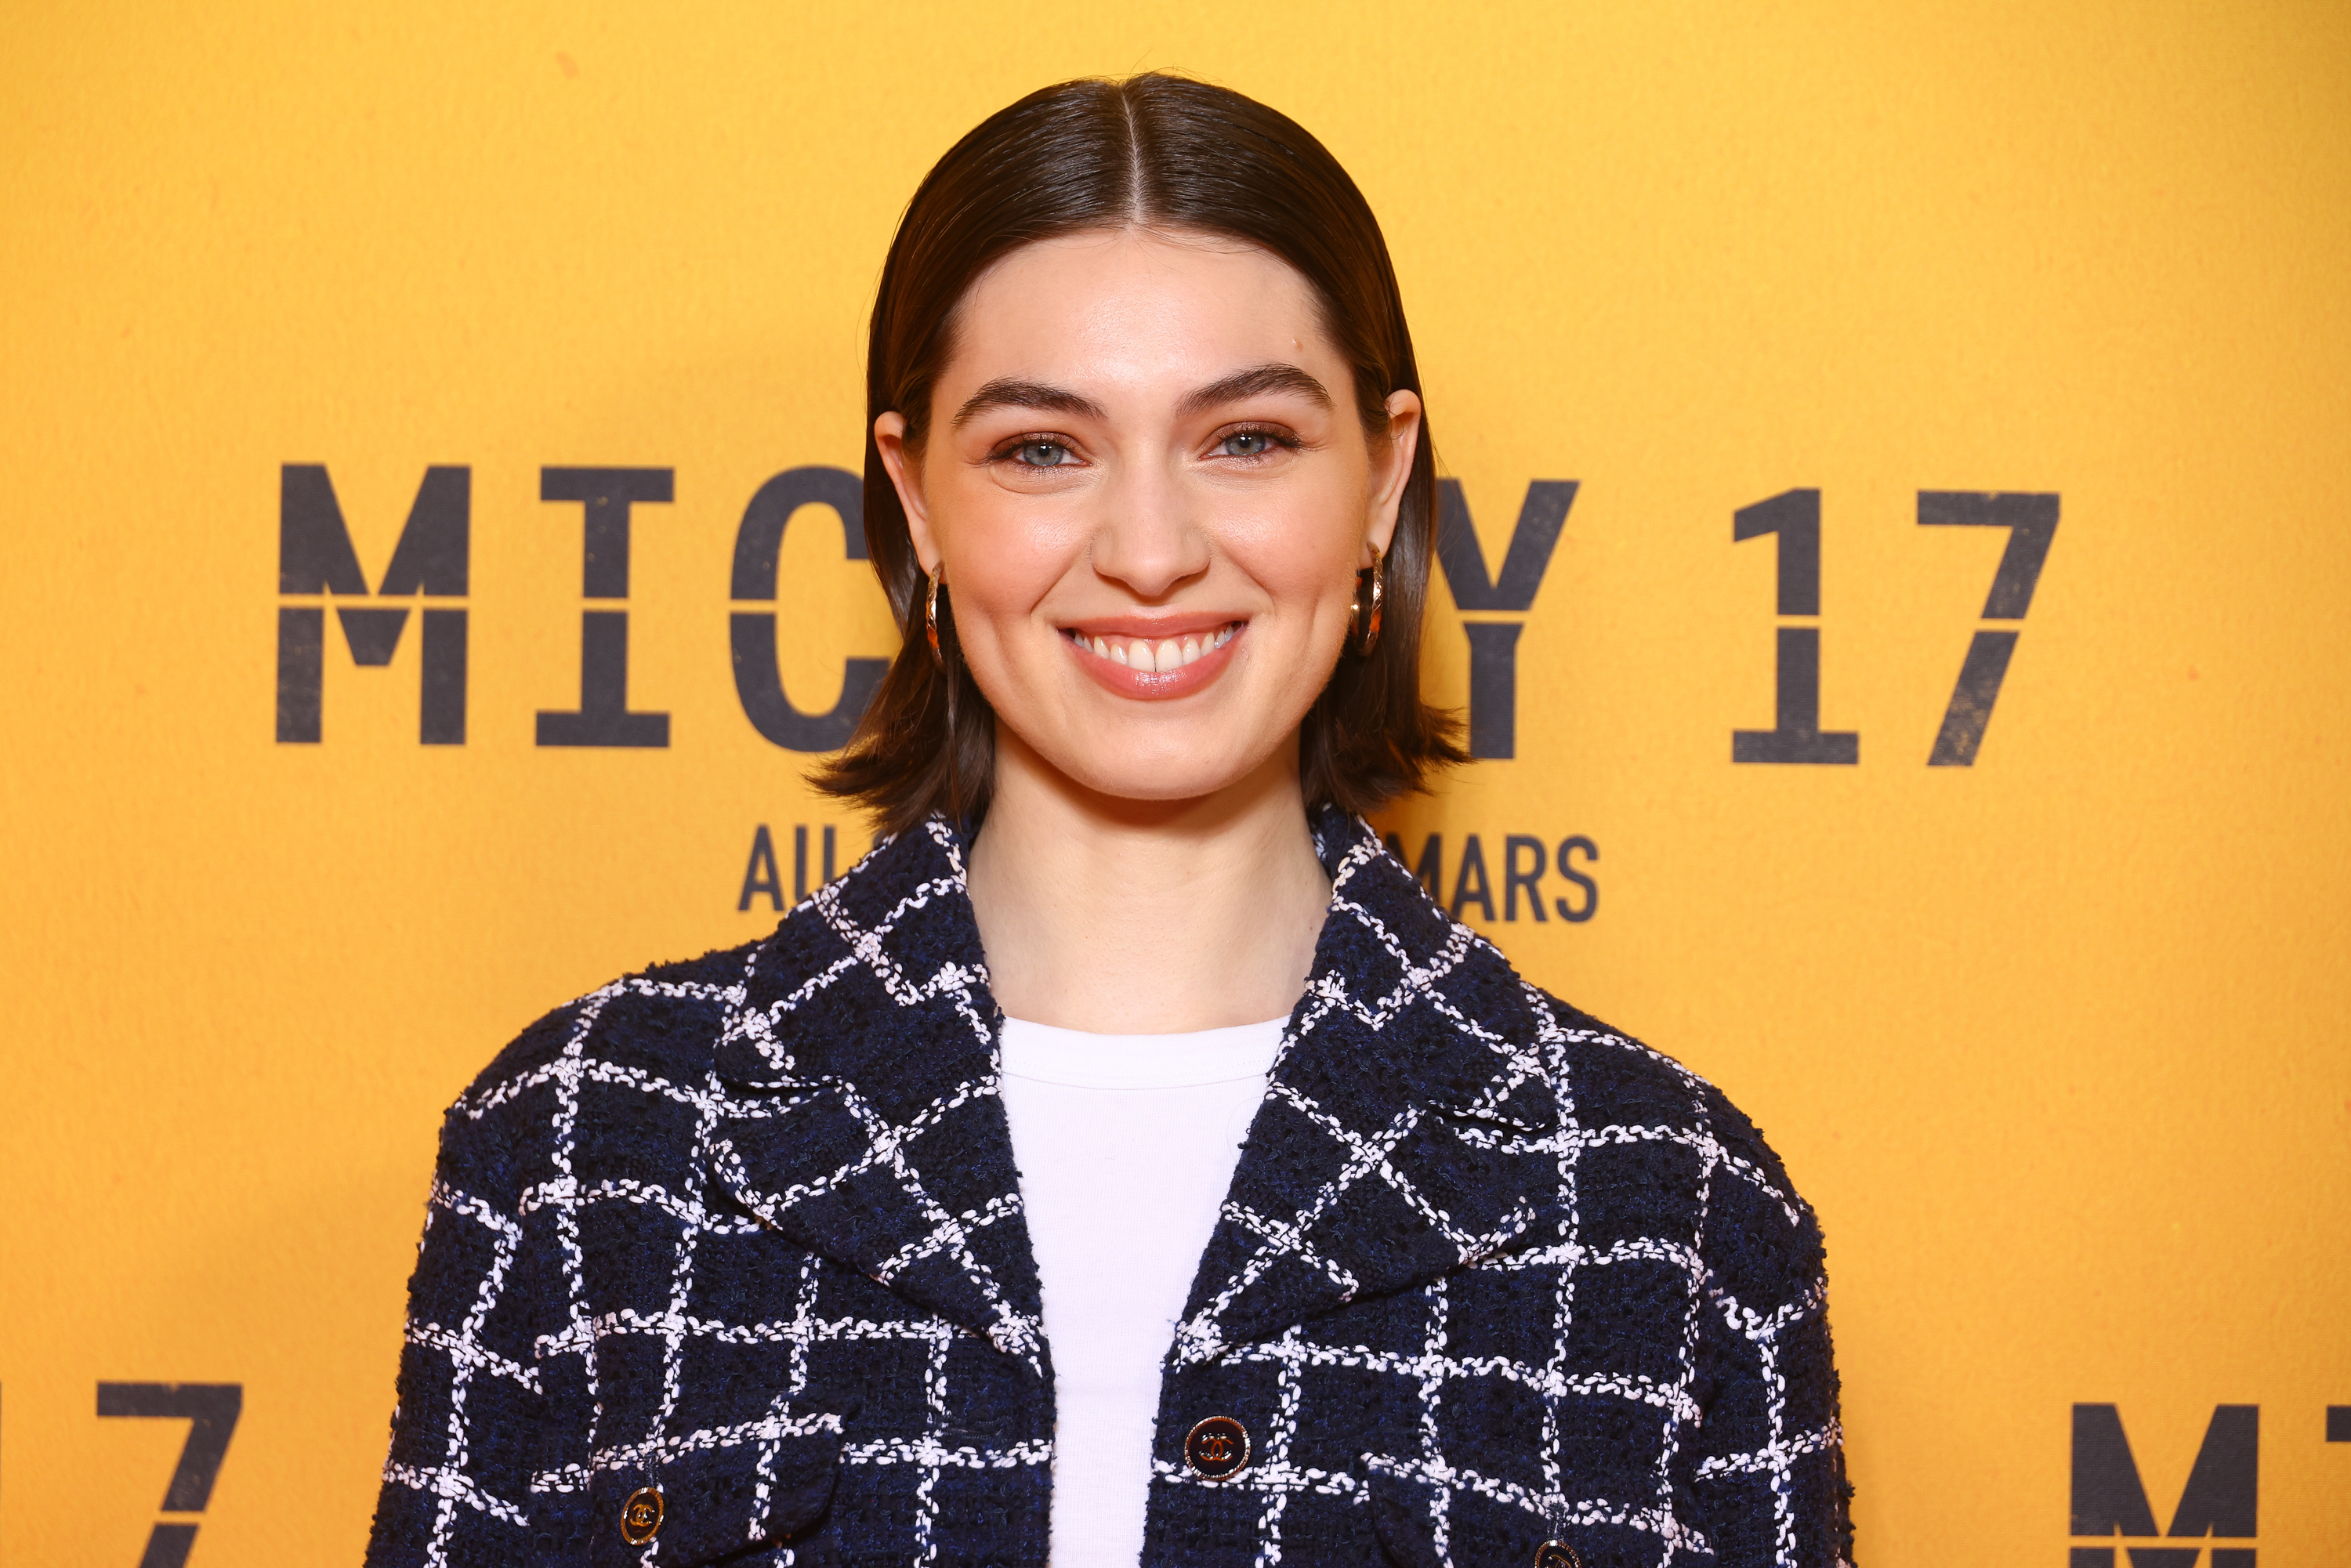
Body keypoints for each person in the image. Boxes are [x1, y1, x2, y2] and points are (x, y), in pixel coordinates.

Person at [366, 72, 1853, 1568]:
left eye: (1249, 439)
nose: (1150, 551)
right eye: (1042, 448)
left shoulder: (1666, 1206)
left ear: (1383, 480)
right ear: (920, 498)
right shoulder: (584, 1147)